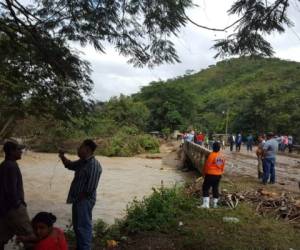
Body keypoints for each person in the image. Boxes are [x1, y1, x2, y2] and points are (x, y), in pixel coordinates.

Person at [59, 139, 102, 250]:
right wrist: (62, 156)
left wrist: (79, 199)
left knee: (83, 228)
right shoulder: (83, 162)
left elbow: (90, 189)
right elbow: (69, 165)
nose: (78, 149)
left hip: (84, 201)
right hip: (78, 200)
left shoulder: (94, 165)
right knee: (78, 228)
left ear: (87, 150)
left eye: (80, 147)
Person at [0, 141, 34, 250]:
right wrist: (19, 204)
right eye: (18, 150)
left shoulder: (4, 165)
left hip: (3, 209)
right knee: (30, 237)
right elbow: (11, 191)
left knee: (1, 238)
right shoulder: (11, 166)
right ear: (11, 152)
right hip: (14, 209)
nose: (21, 152)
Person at [200, 142, 225, 209]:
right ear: (219, 148)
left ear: (212, 147)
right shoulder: (221, 156)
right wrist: (220, 172)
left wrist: (204, 173)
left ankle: (206, 204)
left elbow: (207, 165)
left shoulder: (212, 155)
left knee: (205, 188)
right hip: (218, 175)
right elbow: (222, 166)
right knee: (215, 188)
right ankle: (215, 204)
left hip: (210, 174)